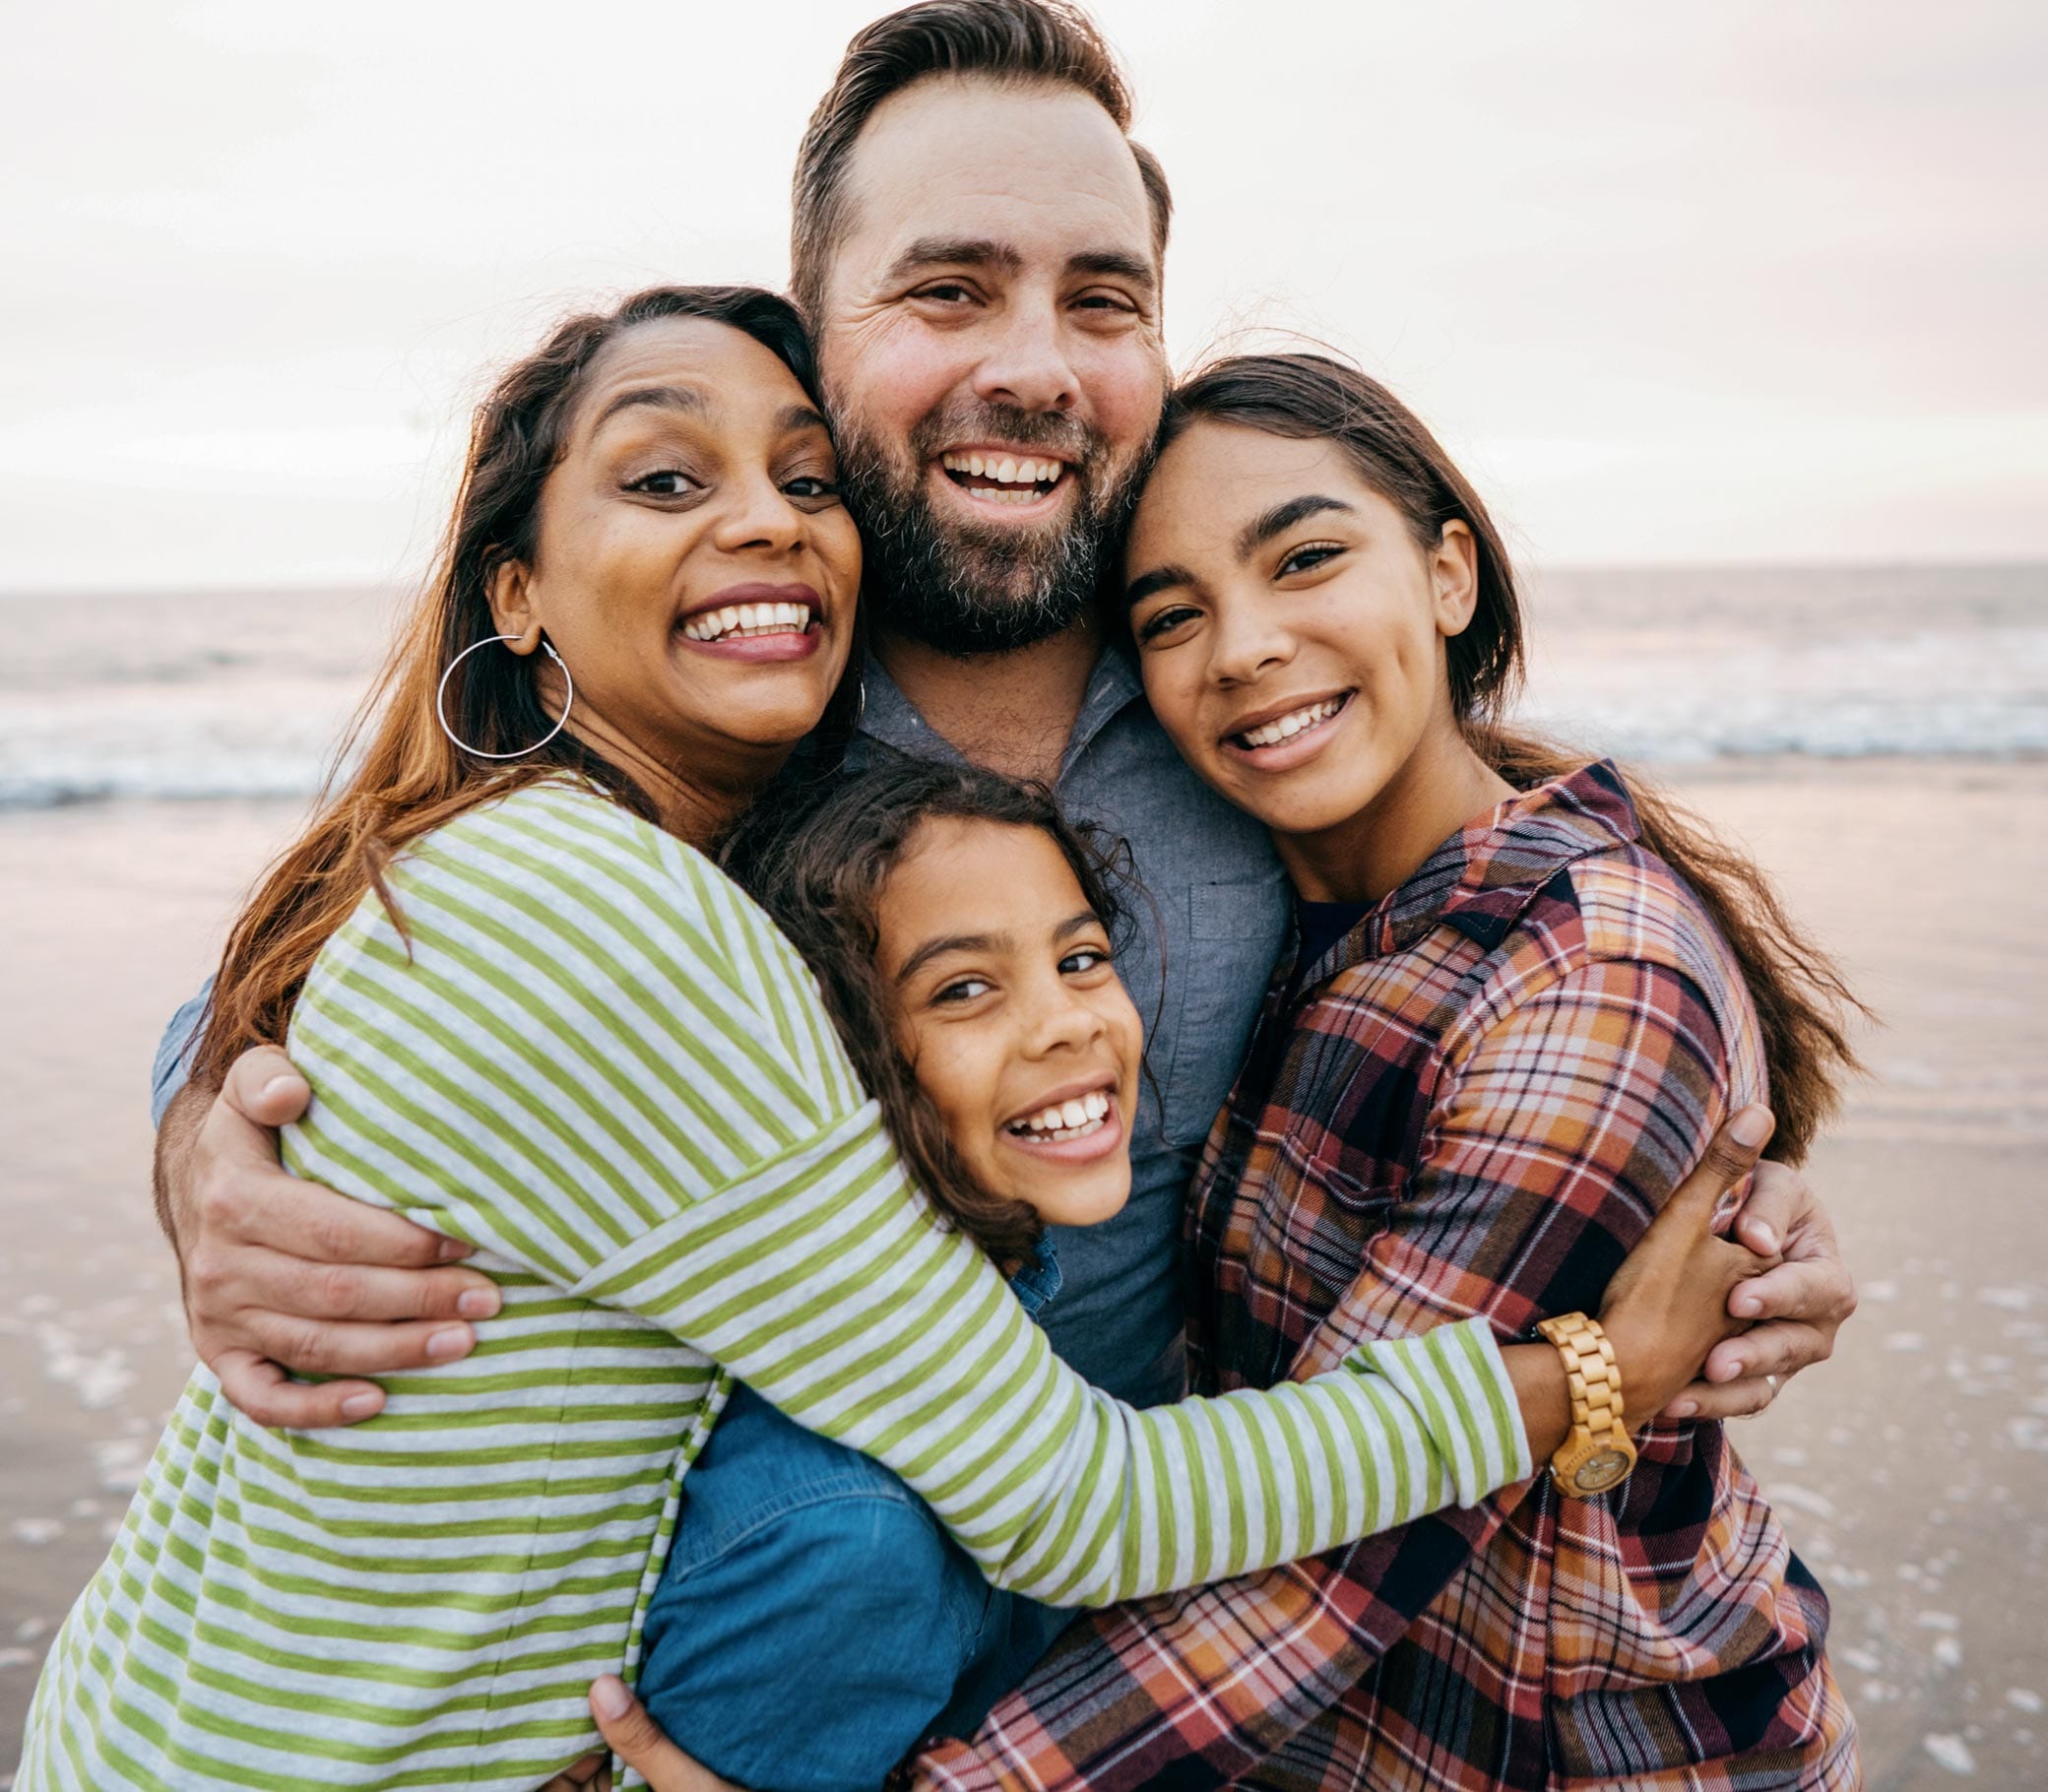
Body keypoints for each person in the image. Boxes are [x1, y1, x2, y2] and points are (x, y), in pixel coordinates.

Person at [16, 286, 1757, 1792]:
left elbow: (1443, 872)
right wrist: (1584, 1381)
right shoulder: (618, 917)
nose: (768, 521)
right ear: (519, 593)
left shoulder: (592, 851)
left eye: (803, 480)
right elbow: (1075, 1498)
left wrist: (1672, 1056)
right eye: (666, 477)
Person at [146, 3, 1855, 1450]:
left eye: (1102, 301)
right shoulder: (730, 686)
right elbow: (357, 937)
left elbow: (1489, 925)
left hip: (1164, 1626)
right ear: (811, 335)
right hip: (768, 1636)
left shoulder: (1232, 678)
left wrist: (1722, 1183)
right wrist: (201, 1157)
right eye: (950, 290)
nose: (1036, 365)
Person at [889, 354, 1864, 1787]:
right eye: (1175, 616)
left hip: (1578, 1745)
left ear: (1449, 573)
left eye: (1308, 558)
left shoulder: (1594, 973)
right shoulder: (1241, 909)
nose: (1245, 646)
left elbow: (1340, 1553)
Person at [623, 755, 1786, 1792]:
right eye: (962, 988)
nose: (1067, 1022)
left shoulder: (998, 1357)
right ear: (826, 1061)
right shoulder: (847, 1542)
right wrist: (1601, 1373)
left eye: (1082, 957)